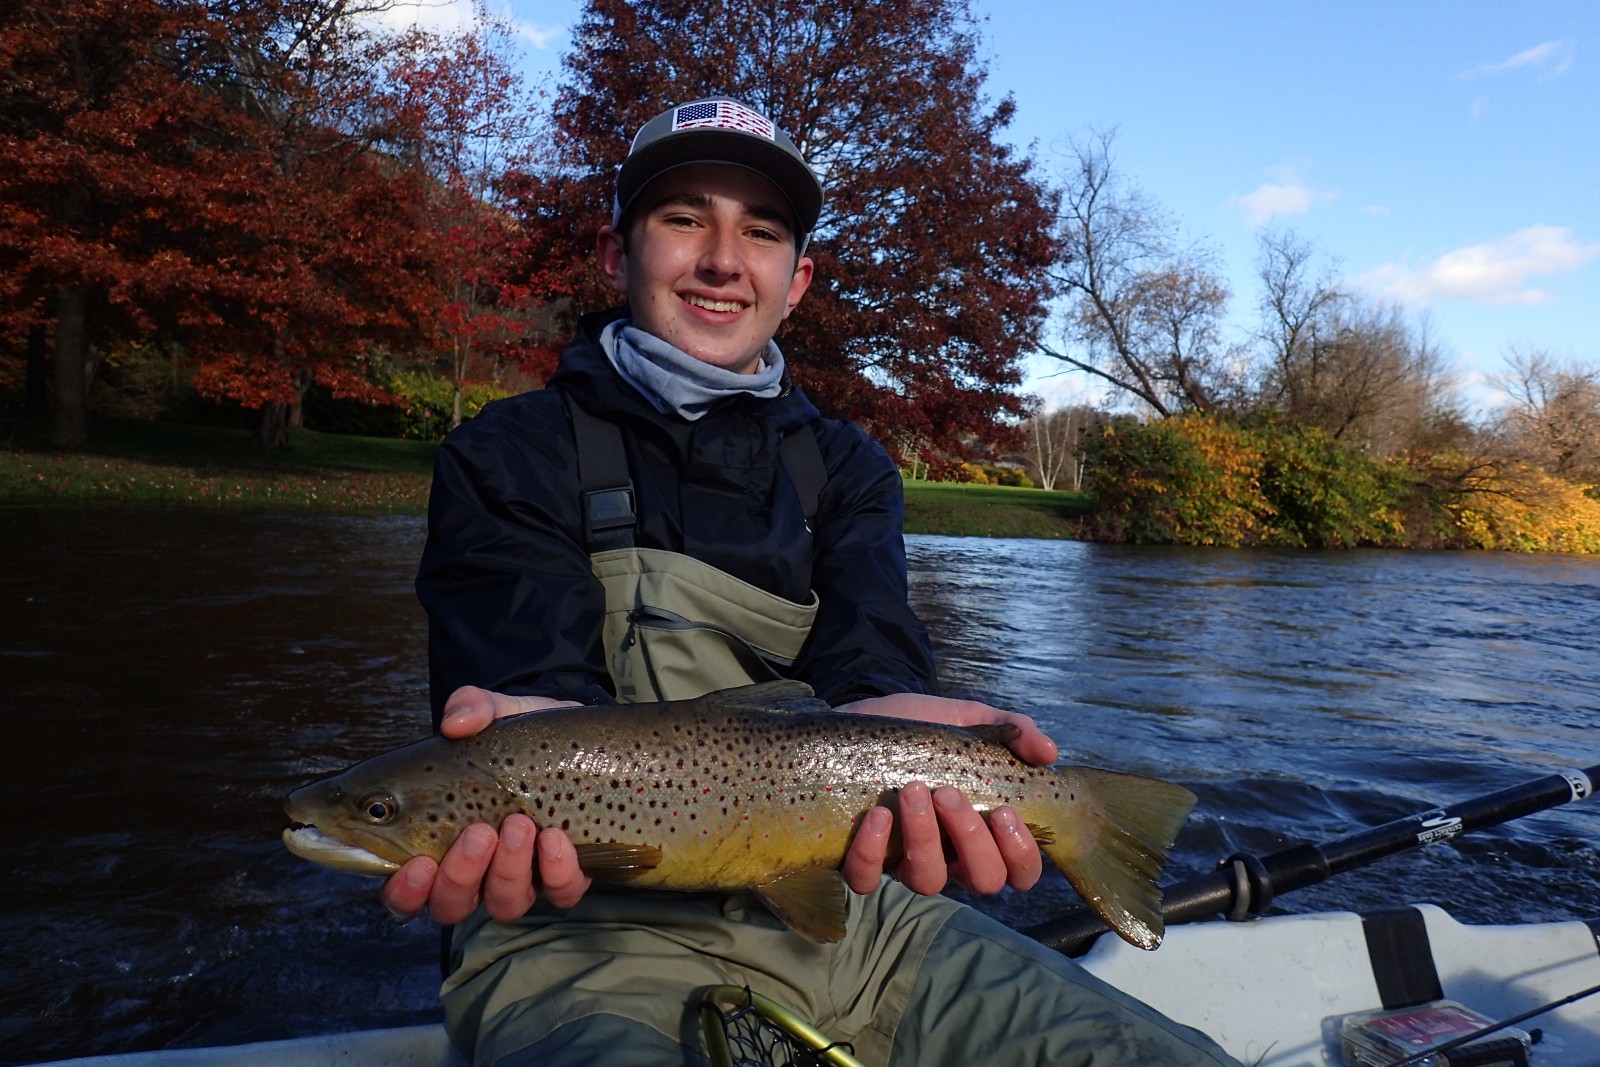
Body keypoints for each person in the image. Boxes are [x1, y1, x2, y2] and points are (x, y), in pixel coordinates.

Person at [380, 97, 1241, 1067]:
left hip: (857, 921)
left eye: (761, 231)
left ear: (797, 280)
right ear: (617, 256)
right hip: (570, 931)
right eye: (682, 218)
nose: (721, 257)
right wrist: (521, 749)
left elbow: (870, 660)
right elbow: (530, 672)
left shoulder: (848, 467)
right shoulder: (506, 451)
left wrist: (913, 732)